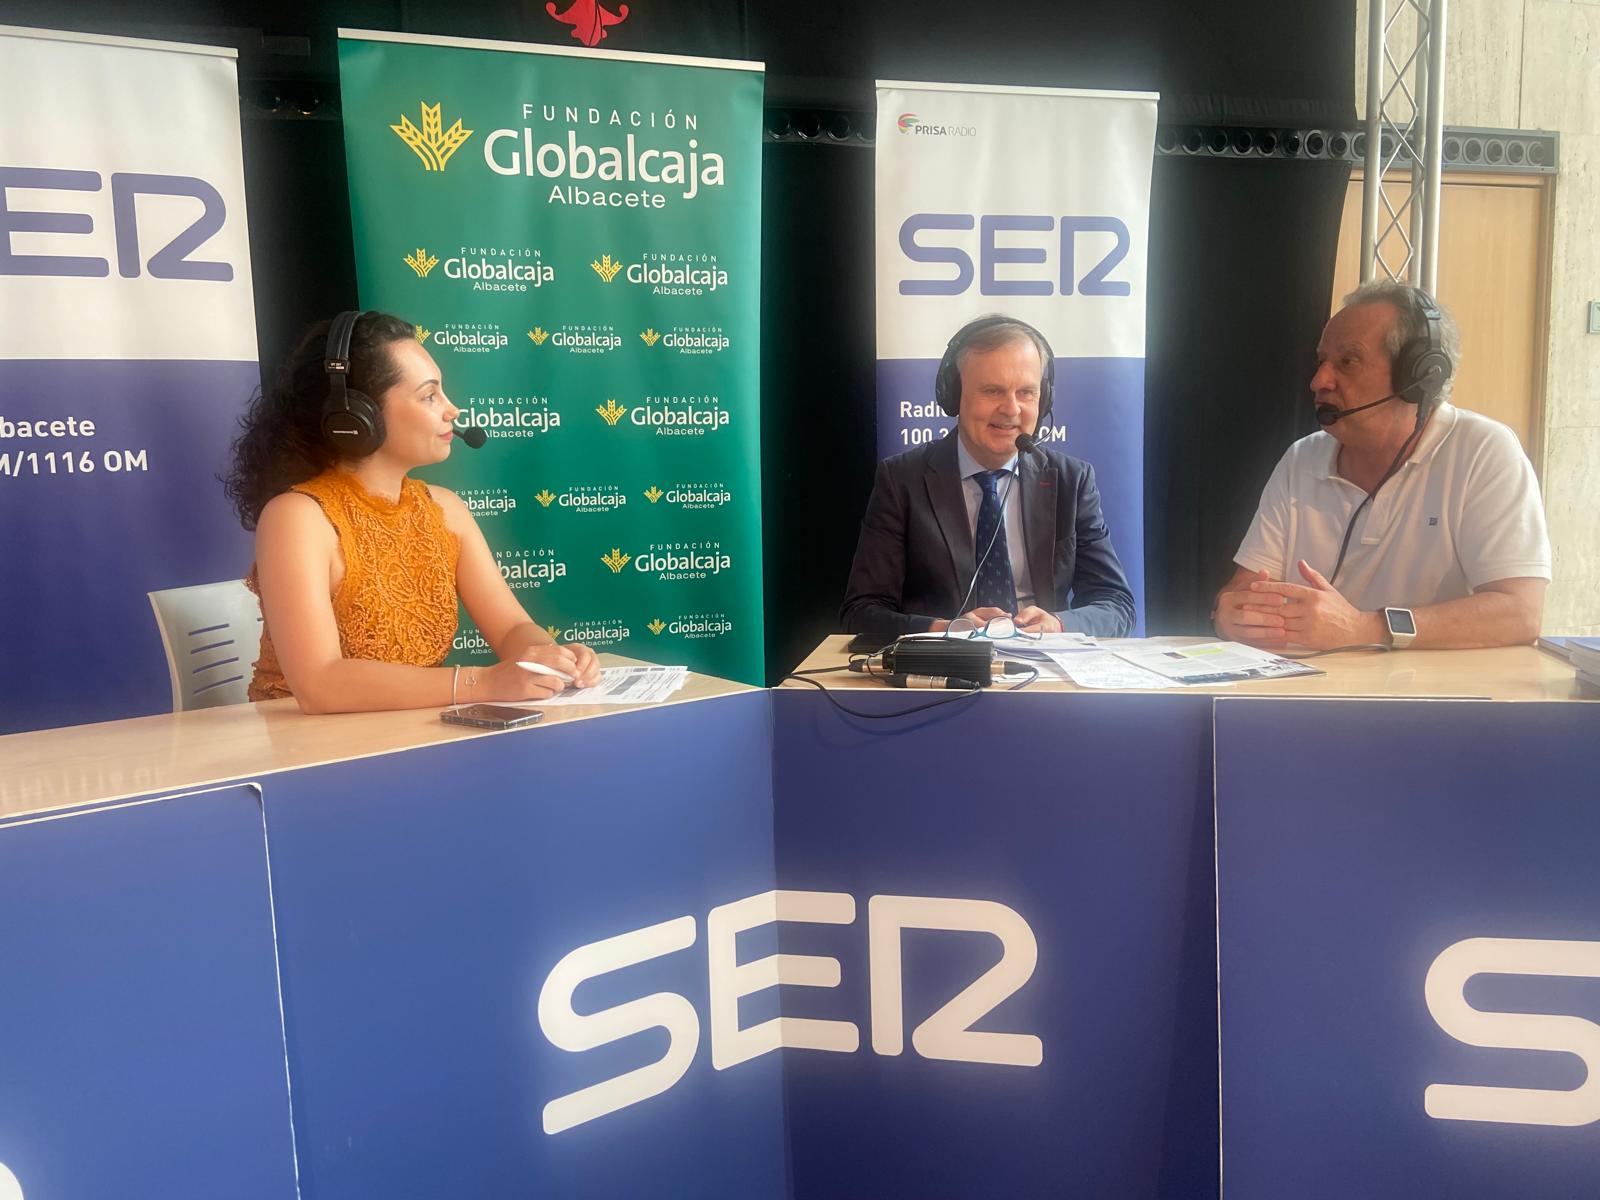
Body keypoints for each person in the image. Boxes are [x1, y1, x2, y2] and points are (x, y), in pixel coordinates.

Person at [224, 310, 601, 713]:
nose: (452, 410)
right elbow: (320, 685)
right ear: (356, 416)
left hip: (414, 733)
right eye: (429, 395)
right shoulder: (298, 516)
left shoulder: (446, 510)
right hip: (303, 749)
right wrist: (485, 681)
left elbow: (510, 627)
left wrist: (550, 659)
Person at [1215, 282, 1549, 651]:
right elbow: (1246, 588)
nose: (1318, 381)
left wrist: (1366, 628)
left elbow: (1519, 612)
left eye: (1347, 361)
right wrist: (1232, 612)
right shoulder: (1301, 458)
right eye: (1320, 362)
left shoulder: (1483, 450)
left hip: (1433, 703)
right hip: (1311, 696)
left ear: (1418, 376)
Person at [840, 315, 1136, 637]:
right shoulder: (901, 481)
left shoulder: (1071, 481)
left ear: (1044, 398)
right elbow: (861, 612)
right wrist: (945, 630)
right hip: (945, 673)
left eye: (1026, 392)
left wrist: (1059, 624)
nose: (1011, 409)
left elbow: (1116, 604)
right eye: (993, 391)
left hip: (1045, 667)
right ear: (954, 395)